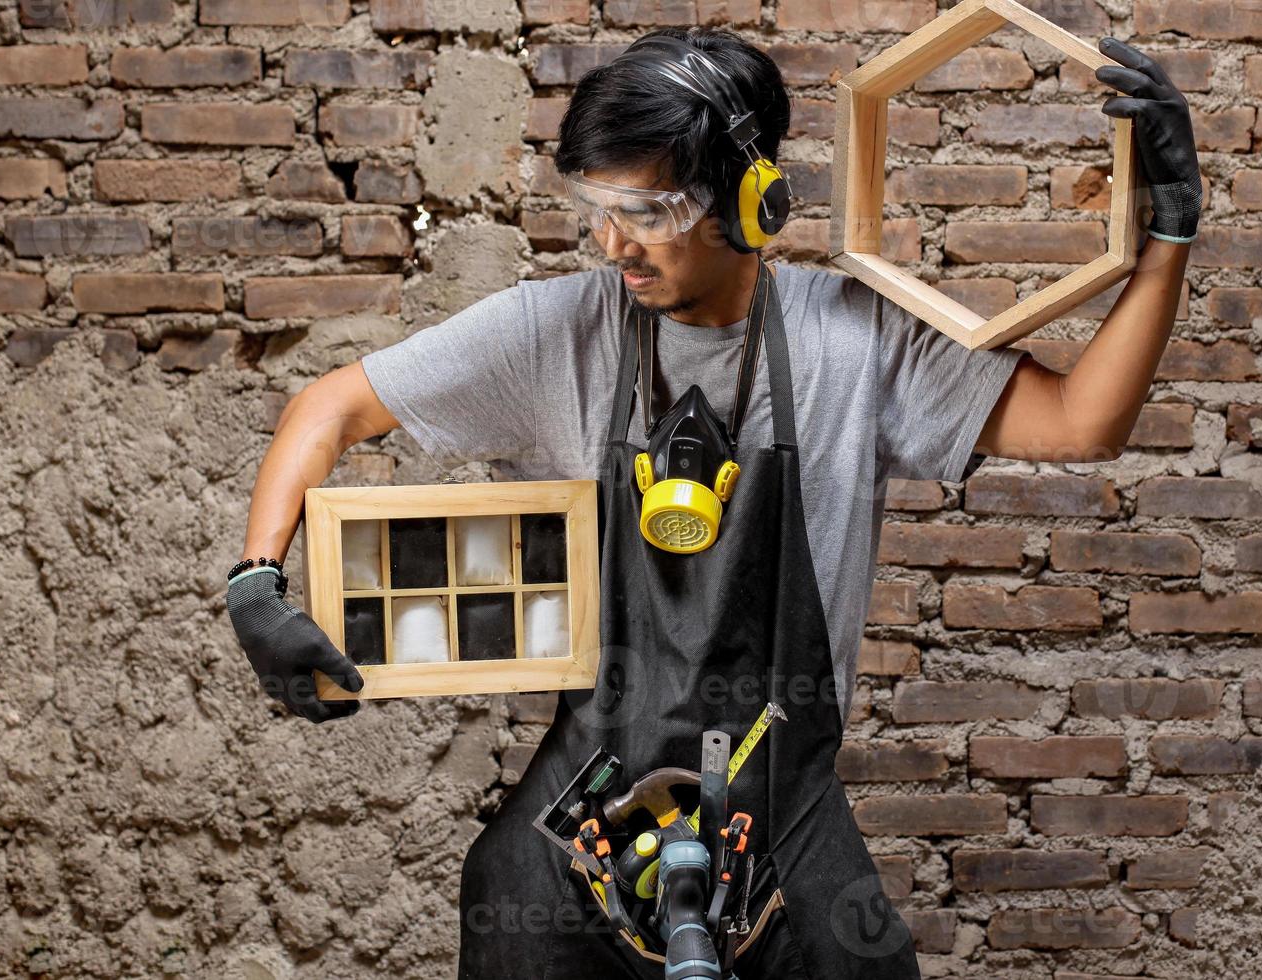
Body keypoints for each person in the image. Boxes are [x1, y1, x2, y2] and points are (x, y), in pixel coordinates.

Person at [226, 25, 1199, 979]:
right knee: (506, 896)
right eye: (599, 208)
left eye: (647, 212)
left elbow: (1083, 422)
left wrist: (1167, 235)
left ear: (751, 199)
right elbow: (331, 404)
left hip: (781, 806)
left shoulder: (860, 344)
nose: (614, 244)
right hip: (587, 802)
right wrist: (258, 580)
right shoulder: (556, 331)